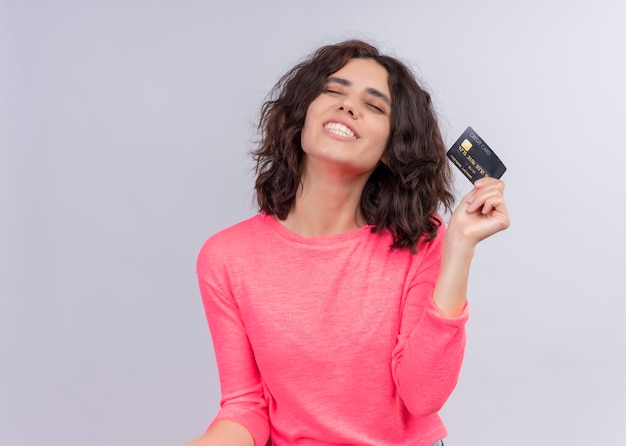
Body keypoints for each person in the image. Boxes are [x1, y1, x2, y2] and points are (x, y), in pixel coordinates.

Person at [187, 39, 510, 446]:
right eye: (333, 91)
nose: (347, 106)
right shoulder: (226, 257)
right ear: (302, 115)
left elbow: (423, 396)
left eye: (374, 106)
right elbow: (245, 407)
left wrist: (460, 248)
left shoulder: (419, 239)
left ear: (392, 150)